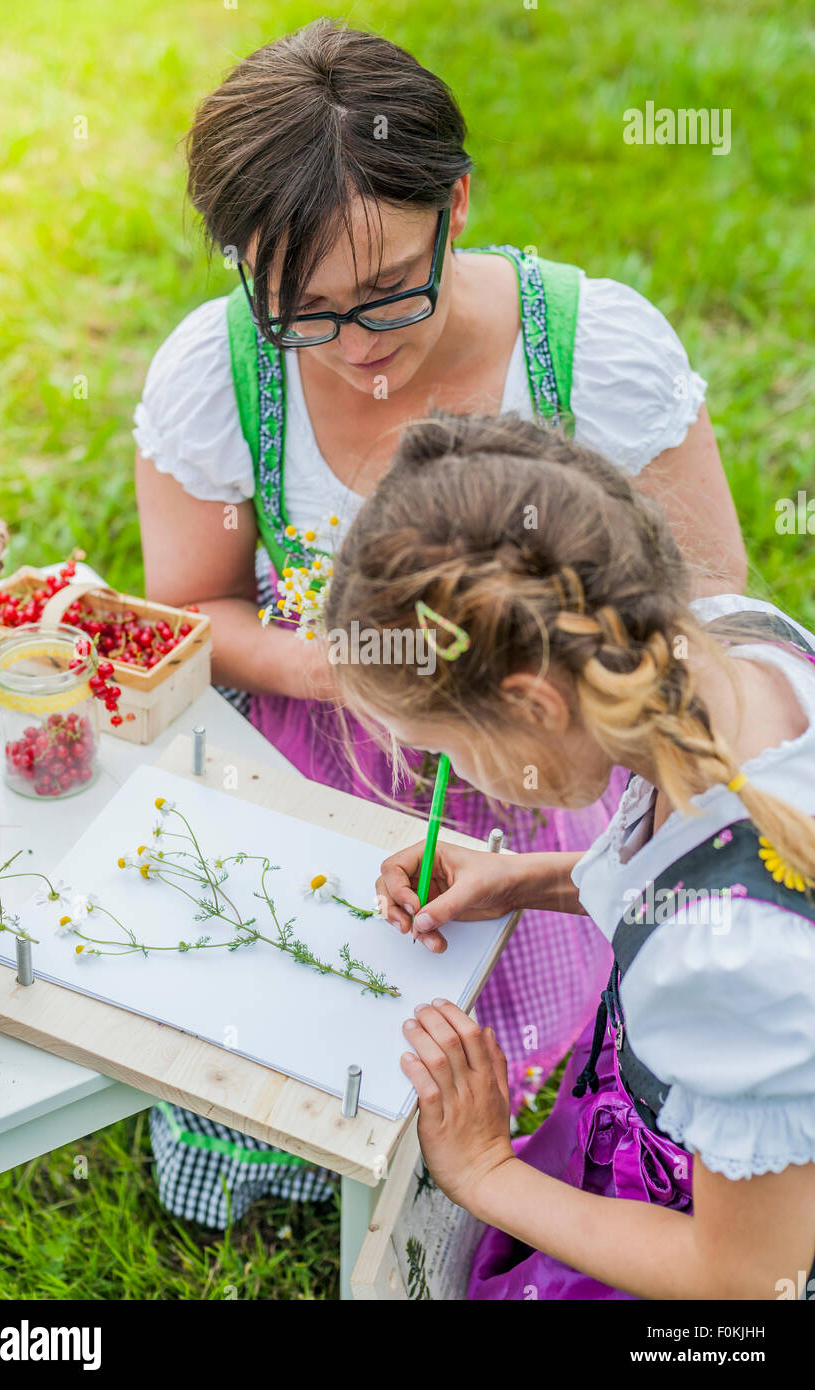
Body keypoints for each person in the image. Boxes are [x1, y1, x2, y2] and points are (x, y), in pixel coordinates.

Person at [133, 19, 746, 1227]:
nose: (356, 352)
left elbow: (706, 624)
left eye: (383, 294)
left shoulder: (587, 353)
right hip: (316, 752)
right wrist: (340, 668)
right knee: (294, 996)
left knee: (491, 1053)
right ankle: (285, 1159)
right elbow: (189, 612)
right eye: (300, 311)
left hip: (547, 764)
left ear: (455, 202)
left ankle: (477, 1182)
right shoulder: (221, 376)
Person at [326, 410, 815, 1299]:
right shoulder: (730, 643)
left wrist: (484, 1174)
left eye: (444, 747)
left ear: (536, 708)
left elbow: (748, 1275)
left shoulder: (724, 966)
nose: (446, 771)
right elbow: (716, 863)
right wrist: (531, 879)